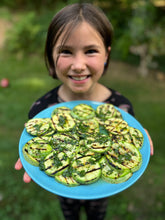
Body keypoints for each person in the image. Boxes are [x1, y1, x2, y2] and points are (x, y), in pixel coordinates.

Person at [15, 3, 154, 220]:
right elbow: (36, 141)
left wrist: (135, 135)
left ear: (106, 55)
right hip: (65, 185)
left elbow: (124, 134)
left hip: (100, 190)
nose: (79, 65)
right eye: (66, 51)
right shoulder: (42, 108)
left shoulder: (121, 106)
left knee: (97, 215)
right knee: (69, 213)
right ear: (51, 56)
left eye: (90, 51)